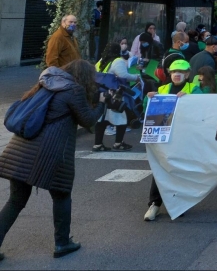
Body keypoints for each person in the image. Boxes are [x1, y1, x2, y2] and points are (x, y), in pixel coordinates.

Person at [0, 60, 105, 259]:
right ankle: (62, 243)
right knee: (62, 195)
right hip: (51, 153)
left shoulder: (46, 85)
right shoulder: (73, 91)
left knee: (15, 201)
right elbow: (88, 119)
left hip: (21, 150)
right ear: (83, 77)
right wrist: (101, 103)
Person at [143, 60, 201, 221]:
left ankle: (177, 204)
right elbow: (146, 112)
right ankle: (154, 204)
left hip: (183, 137)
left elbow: (201, 109)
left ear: (188, 74)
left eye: (181, 71)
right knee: (159, 169)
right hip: (163, 137)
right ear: (169, 73)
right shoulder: (161, 90)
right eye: (174, 71)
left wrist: (190, 98)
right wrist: (148, 99)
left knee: (179, 170)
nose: (177, 74)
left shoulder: (194, 89)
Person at [93, 43, 141, 152]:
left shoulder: (101, 61)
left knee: (102, 119)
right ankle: (118, 143)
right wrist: (136, 77)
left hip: (102, 94)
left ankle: (98, 144)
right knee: (121, 117)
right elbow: (123, 75)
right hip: (115, 95)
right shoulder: (117, 61)